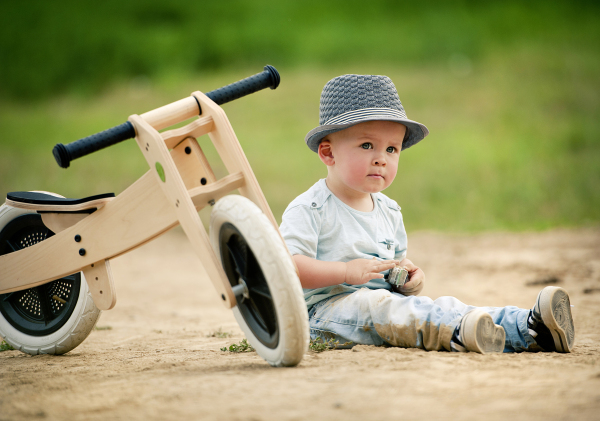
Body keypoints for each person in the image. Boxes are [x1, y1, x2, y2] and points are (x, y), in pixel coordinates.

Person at [279, 74, 575, 353]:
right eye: (367, 145)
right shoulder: (311, 208)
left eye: (392, 149)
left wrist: (408, 279)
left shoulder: (389, 210)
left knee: (438, 304)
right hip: (323, 316)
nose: (381, 159)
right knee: (380, 307)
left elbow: (391, 278)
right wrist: (345, 272)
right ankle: (457, 333)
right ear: (328, 153)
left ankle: (529, 328)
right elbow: (288, 268)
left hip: (381, 306)